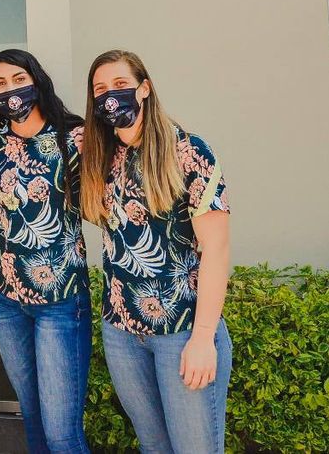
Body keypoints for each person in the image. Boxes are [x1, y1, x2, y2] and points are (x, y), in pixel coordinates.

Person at [80, 49, 232, 453]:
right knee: (153, 446)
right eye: (100, 89)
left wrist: (203, 339)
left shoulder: (189, 152)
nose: (110, 96)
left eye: (120, 84)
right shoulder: (100, 157)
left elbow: (216, 249)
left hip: (182, 332)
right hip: (121, 333)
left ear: (144, 88)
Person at [0, 49, 92, 453]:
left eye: (18, 79)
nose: (10, 89)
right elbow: (5, 203)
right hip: (8, 298)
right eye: (0, 83)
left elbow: (97, 202)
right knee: (33, 419)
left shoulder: (74, 137)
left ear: (36, 81)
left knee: (62, 432)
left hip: (60, 300)